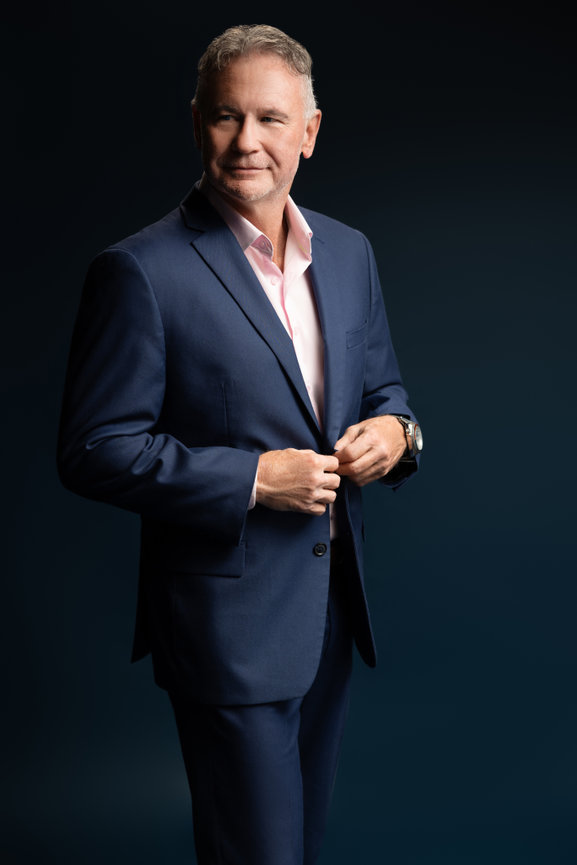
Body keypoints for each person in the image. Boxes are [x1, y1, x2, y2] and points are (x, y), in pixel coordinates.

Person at [58, 23, 422, 865]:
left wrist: (396, 435)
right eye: (226, 117)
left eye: (268, 118)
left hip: (331, 611)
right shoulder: (141, 270)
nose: (248, 140)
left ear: (310, 131)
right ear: (197, 125)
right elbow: (91, 447)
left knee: (298, 846)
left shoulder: (349, 252)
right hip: (225, 623)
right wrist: (254, 478)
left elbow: (387, 394)